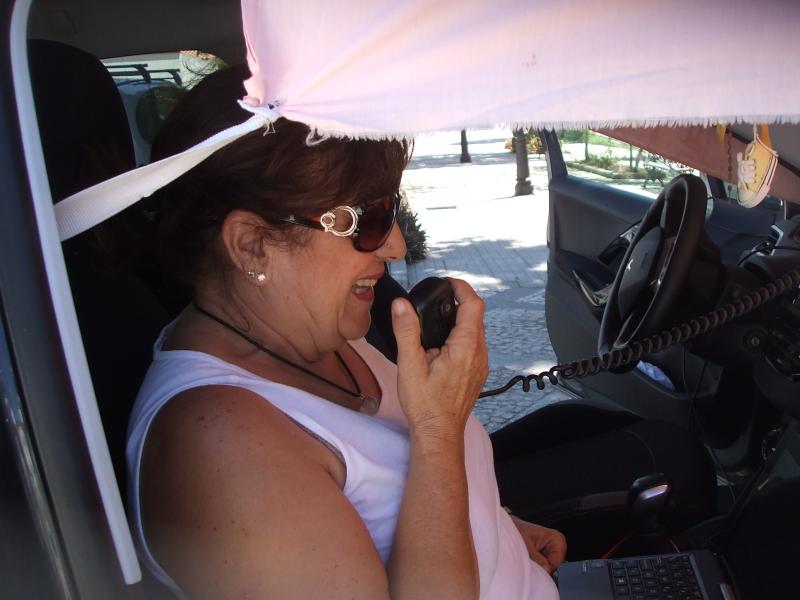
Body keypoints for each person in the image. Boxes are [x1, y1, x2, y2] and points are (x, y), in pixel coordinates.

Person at [127, 64, 565, 599]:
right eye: (367, 219)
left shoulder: (319, 330)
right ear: (252, 245)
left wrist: (497, 528)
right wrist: (438, 428)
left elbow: (400, 502)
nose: (396, 246)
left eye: (391, 209)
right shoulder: (218, 451)